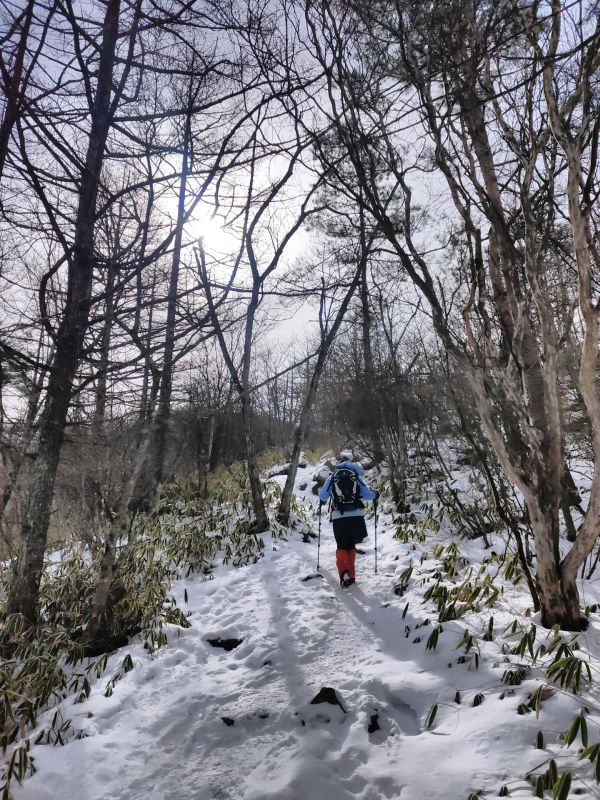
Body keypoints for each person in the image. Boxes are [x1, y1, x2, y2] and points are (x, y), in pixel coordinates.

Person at [318, 458, 379, 588]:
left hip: (339, 517)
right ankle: (351, 576)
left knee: (341, 546)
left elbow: (323, 496)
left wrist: (321, 493)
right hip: (356, 517)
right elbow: (368, 495)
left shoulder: (332, 477)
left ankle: (343, 573)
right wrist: (376, 494)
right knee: (351, 546)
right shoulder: (355, 476)